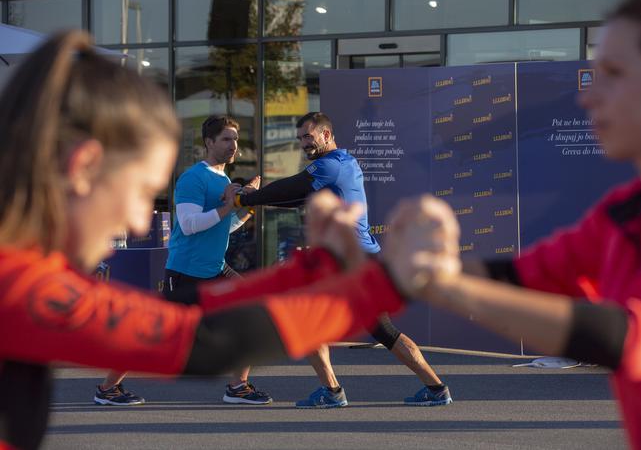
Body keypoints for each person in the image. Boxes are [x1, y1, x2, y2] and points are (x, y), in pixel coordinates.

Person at [0, 31, 429, 450]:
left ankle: (238, 385)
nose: (136, 220)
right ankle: (121, 388)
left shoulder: (30, 280)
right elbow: (188, 344)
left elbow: (179, 337)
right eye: (139, 192)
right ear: (83, 167)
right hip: (190, 271)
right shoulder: (21, 289)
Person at [380, 0, 641, 448]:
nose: (588, 95)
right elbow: (524, 276)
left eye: (615, 74)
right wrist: (409, 265)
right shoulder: (628, 209)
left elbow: (632, 335)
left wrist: (443, 284)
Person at [235, 112, 452, 408]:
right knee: (383, 331)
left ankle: (332, 391)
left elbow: (294, 188)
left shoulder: (331, 165)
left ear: (326, 134)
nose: (303, 144)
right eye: (299, 138)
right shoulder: (344, 162)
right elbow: (296, 198)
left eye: (308, 137)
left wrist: (245, 199)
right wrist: (255, 198)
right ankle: (436, 388)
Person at [159, 115, 270, 405]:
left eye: (235, 139)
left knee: (253, 311)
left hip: (216, 268)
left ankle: (238, 386)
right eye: (226, 139)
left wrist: (248, 206)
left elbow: (225, 227)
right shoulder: (193, 178)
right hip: (186, 271)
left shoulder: (224, 180)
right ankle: (108, 389)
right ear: (209, 142)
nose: (233, 145)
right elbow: (190, 223)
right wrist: (226, 205)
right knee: (156, 335)